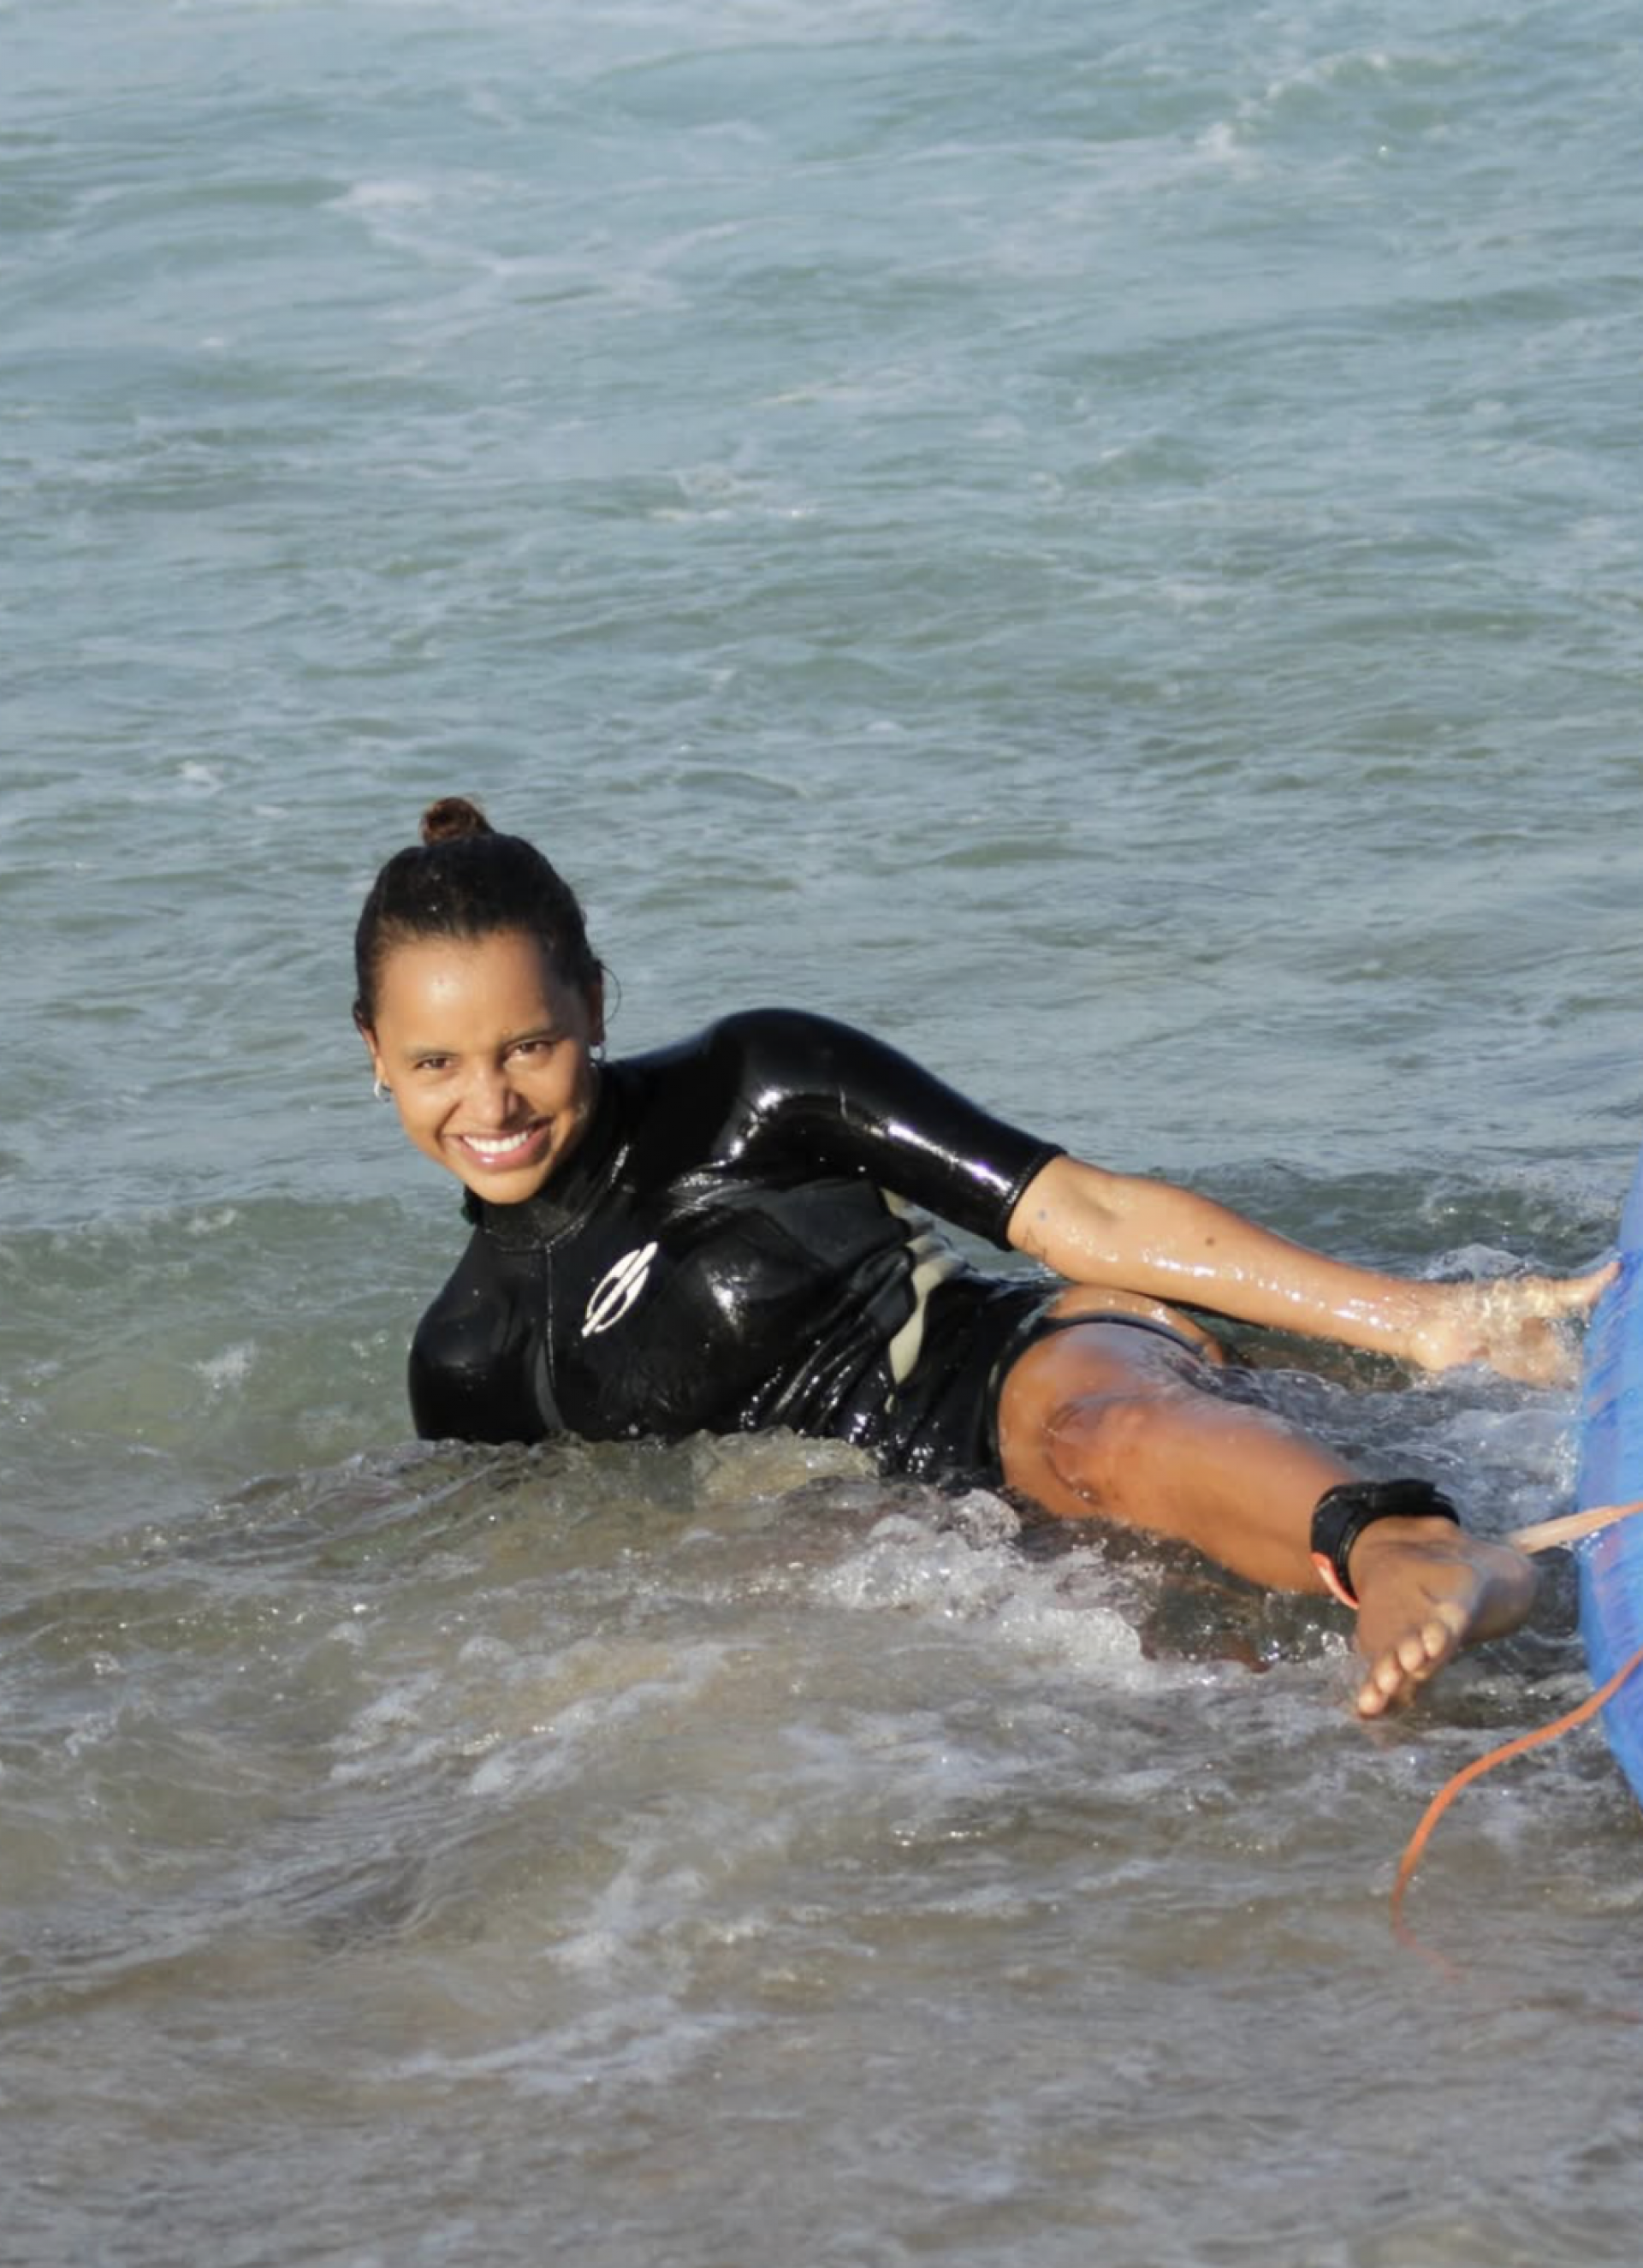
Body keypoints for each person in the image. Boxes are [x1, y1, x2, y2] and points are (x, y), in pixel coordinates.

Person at [353, 798, 1607, 1721]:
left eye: (529, 1045)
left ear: (597, 1005)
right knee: (1194, 1711)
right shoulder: (468, 1358)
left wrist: (1435, 1323)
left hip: (1022, 1371)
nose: (491, 1102)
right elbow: (561, 1573)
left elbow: (1090, 1217)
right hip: (906, 1543)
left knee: (1091, 1443)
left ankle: (1403, 1547)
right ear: (374, 1056)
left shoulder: (757, 1081)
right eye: (435, 1064)